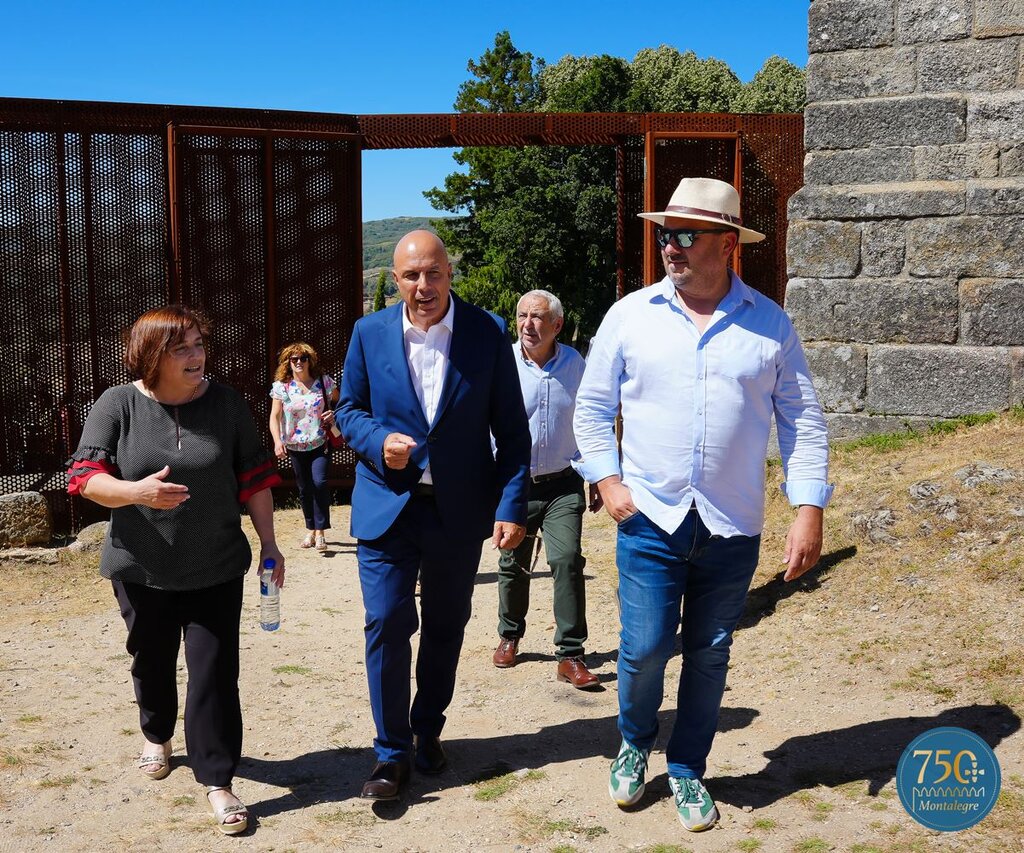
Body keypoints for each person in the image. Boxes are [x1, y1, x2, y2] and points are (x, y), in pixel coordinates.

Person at [574, 178, 832, 832]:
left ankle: (687, 766)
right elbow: (592, 409)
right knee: (645, 647)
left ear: (727, 243)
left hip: (732, 525)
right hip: (650, 520)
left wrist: (808, 508)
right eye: (665, 233)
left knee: (711, 651)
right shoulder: (630, 315)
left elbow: (803, 419)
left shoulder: (770, 323)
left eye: (686, 234)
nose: (670, 246)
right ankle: (635, 740)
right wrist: (607, 482)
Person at [66, 305, 284, 836]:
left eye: (198, 344)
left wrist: (271, 545)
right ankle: (158, 732)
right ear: (151, 356)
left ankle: (217, 780)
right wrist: (136, 492)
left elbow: (253, 478)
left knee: (214, 674)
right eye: (181, 347)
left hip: (216, 565)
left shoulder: (227, 403)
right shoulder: (117, 404)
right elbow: (83, 477)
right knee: (151, 659)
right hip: (141, 567)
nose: (196, 356)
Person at [337, 230, 531, 801]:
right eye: (411, 276)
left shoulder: (487, 332)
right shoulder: (368, 333)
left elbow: (513, 433)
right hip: (387, 508)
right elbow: (348, 410)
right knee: (387, 623)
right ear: (396, 280)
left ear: (451, 272)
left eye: (434, 273)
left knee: (446, 627)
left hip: (458, 511)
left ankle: (428, 731)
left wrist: (510, 503)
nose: (424, 286)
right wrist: (377, 442)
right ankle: (391, 755)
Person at [491, 289, 600, 689]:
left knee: (567, 560)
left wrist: (599, 474)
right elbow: (487, 423)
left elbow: (592, 420)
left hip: (563, 483)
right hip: (515, 484)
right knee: (512, 564)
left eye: (537, 317)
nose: (527, 325)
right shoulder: (502, 362)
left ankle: (570, 654)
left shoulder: (575, 364)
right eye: (522, 316)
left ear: (557, 324)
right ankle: (509, 634)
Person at [269, 342, 338, 551]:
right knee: (304, 488)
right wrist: (277, 441)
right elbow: (275, 416)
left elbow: (343, 402)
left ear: (310, 360)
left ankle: (321, 533)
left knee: (319, 483)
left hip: (319, 442)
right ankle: (311, 529)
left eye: (303, 358)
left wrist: (334, 413)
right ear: (288, 362)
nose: (299, 362)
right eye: (294, 359)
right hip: (295, 446)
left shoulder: (324, 383)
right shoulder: (282, 386)